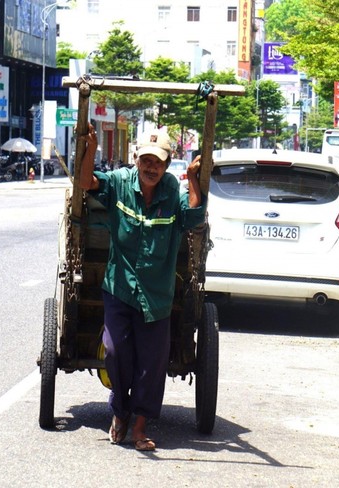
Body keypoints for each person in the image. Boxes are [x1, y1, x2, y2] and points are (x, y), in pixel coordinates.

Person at [79, 126, 206, 451]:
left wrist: (193, 177)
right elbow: (85, 183)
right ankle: (120, 412)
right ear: (136, 159)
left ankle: (139, 425)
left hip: (156, 295)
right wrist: (90, 148)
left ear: (166, 164)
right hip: (119, 288)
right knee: (117, 352)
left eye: (158, 163)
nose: (151, 168)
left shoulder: (171, 193)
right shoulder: (120, 182)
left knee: (152, 363)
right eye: (146, 161)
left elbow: (192, 218)